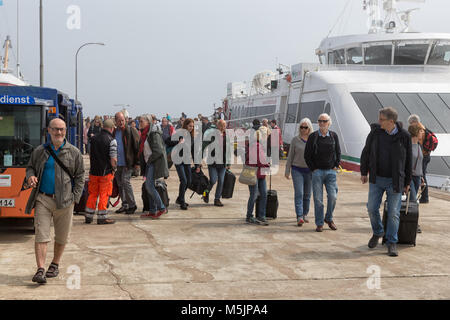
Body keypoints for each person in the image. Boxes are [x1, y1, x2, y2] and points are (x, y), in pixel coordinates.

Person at [26, 118, 85, 284]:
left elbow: (80, 175)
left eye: (62, 129)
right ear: (49, 131)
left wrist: (75, 198)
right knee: (41, 234)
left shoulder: (74, 152)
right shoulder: (40, 151)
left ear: (65, 131)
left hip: (65, 201)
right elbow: (30, 167)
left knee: (61, 236)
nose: (59, 132)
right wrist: (30, 176)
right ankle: (40, 269)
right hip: (43, 199)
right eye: (55, 129)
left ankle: (55, 264)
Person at [360, 107, 412, 257]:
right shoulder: (376, 133)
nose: (379, 122)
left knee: (394, 213)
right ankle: (378, 232)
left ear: (391, 121)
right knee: (371, 208)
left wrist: (407, 182)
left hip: (395, 181)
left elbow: (408, 160)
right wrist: (364, 172)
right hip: (377, 179)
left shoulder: (404, 136)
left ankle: (391, 242)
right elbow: (366, 152)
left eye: (381, 119)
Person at [304, 113, 341, 233]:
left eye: (324, 121)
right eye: (320, 121)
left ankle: (328, 218)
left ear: (329, 123)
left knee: (333, 197)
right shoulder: (313, 136)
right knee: (318, 199)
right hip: (317, 172)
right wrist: (313, 168)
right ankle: (319, 223)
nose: (321, 123)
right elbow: (307, 155)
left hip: (331, 172)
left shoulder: (334, 136)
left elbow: (338, 152)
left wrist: (335, 165)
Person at [85, 119, 118, 225]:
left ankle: (88, 216)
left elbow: (90, 155)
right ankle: (102, 217)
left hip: (93, 172)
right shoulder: (112, 140)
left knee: (93, 194)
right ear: (112, 128)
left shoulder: (93, 139)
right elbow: (113, 159)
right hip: (106, 172)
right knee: (104, 194)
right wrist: (114, 168)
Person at [139, 115, 170, 218]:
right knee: (149, 187)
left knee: (149, 186)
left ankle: (161, 208)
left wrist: (149, 161)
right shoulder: (144, 134)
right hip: (149, 162)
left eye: (141, 121)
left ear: (148, 122)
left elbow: (158, 151)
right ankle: (152, 210)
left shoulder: (153, 133)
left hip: (154, 163)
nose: (140, 122)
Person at [285, 118, 313, 227]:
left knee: (307, 194)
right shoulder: (295, 140)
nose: (303, 129)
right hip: (297, 170)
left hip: (310, 171)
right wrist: (287, 170)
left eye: (305, 127)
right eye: (301, 127)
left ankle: (305, 213)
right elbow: (290, 156)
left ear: (309, 128)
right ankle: (299, 216)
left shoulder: (312, 139)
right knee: (299, 193)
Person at [114, 111, 140, 214]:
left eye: (122, 120)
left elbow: (137, 147)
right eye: (119, 120)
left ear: (125, 120)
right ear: (115, 121)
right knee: (120, 184)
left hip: (127, 163)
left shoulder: (130, 130)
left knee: (126, 181)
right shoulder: (115, 132)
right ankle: (124, 205)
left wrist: (137, 163)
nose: (121, 122)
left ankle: (132, 205)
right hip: (117, 164)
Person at [172, 118, 199, 210]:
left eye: (192, 126)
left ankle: (179, 198)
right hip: (178, 160)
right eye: (190, 126)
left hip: (187, 161)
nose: (191, 128)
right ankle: (182, 202)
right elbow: (168, 141)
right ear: (185, 125)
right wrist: (177, 142)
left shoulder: (191, 137)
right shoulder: (179, 133)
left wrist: (197, 165)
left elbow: (193, 151)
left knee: (189, 181)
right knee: (183, 180)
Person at [202, 119, 230, 206]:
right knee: (213, 180)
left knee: (221, 181)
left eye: (224, 125)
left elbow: (228, 150)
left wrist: (229, 163)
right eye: (222, 125)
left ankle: (217, 199)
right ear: (218, 126)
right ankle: (205, 193)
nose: (223, 127)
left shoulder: (227, 136)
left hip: (222, 162)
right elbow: (204, 145)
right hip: (212, 162)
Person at [245, 129, 270, 225]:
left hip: (259, 174)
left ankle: (260, 215)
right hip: (255, 173)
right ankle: (251, 215)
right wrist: (267, 165)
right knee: (256, 195)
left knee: (261, 194)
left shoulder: (256, 145)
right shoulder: (256, 145)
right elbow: (260, 161)